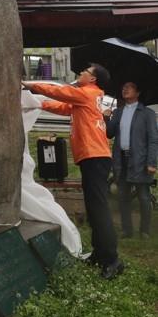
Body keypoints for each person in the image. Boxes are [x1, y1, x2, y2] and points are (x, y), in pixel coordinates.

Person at [23, 64, 123, 279]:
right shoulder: (88, 97)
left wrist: (30, 86)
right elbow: (62, 106)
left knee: (99, 209)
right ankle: (99, 253)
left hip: (95, 157)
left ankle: (112, 259)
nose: (81, 74)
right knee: (94, 208)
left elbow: (60, 91)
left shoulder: (86, 94)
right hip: (94, 157)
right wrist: (36, 104)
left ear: (93, 79)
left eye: (85, 72)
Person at [105, 81, 158, 239]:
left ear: (138, 92)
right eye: (123, 87)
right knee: (123, 196)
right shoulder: (118, 112)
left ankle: (144, 230)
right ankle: (127, 230)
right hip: (121, 160)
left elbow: (153, 140)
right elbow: (109, 134)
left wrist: (152, 162)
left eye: (129, 87)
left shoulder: (147, 113)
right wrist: (106, 118)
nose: (125, 89)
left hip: (140, 161)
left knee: (143, 196)